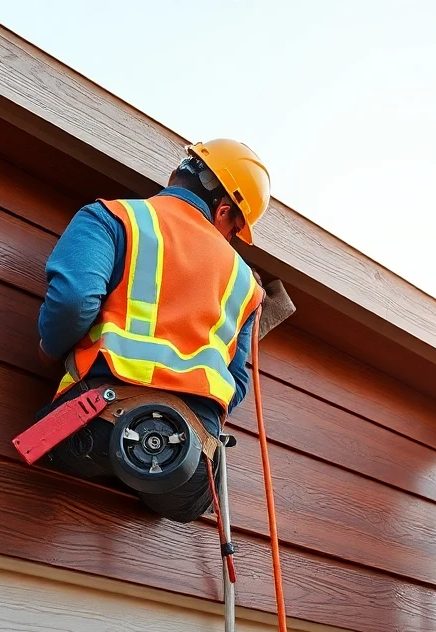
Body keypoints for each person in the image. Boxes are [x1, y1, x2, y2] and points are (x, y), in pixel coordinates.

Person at [32, 139, 268, 522]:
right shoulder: (247, 286)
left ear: (179, 172)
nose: (230, 240)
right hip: (189, 460)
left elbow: (74, 300)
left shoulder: (113, 217)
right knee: (192, 499)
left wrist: (49, 348)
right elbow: (235, 383)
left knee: (62, 445)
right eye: (235, 230)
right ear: (224, 212)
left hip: (93, 424)